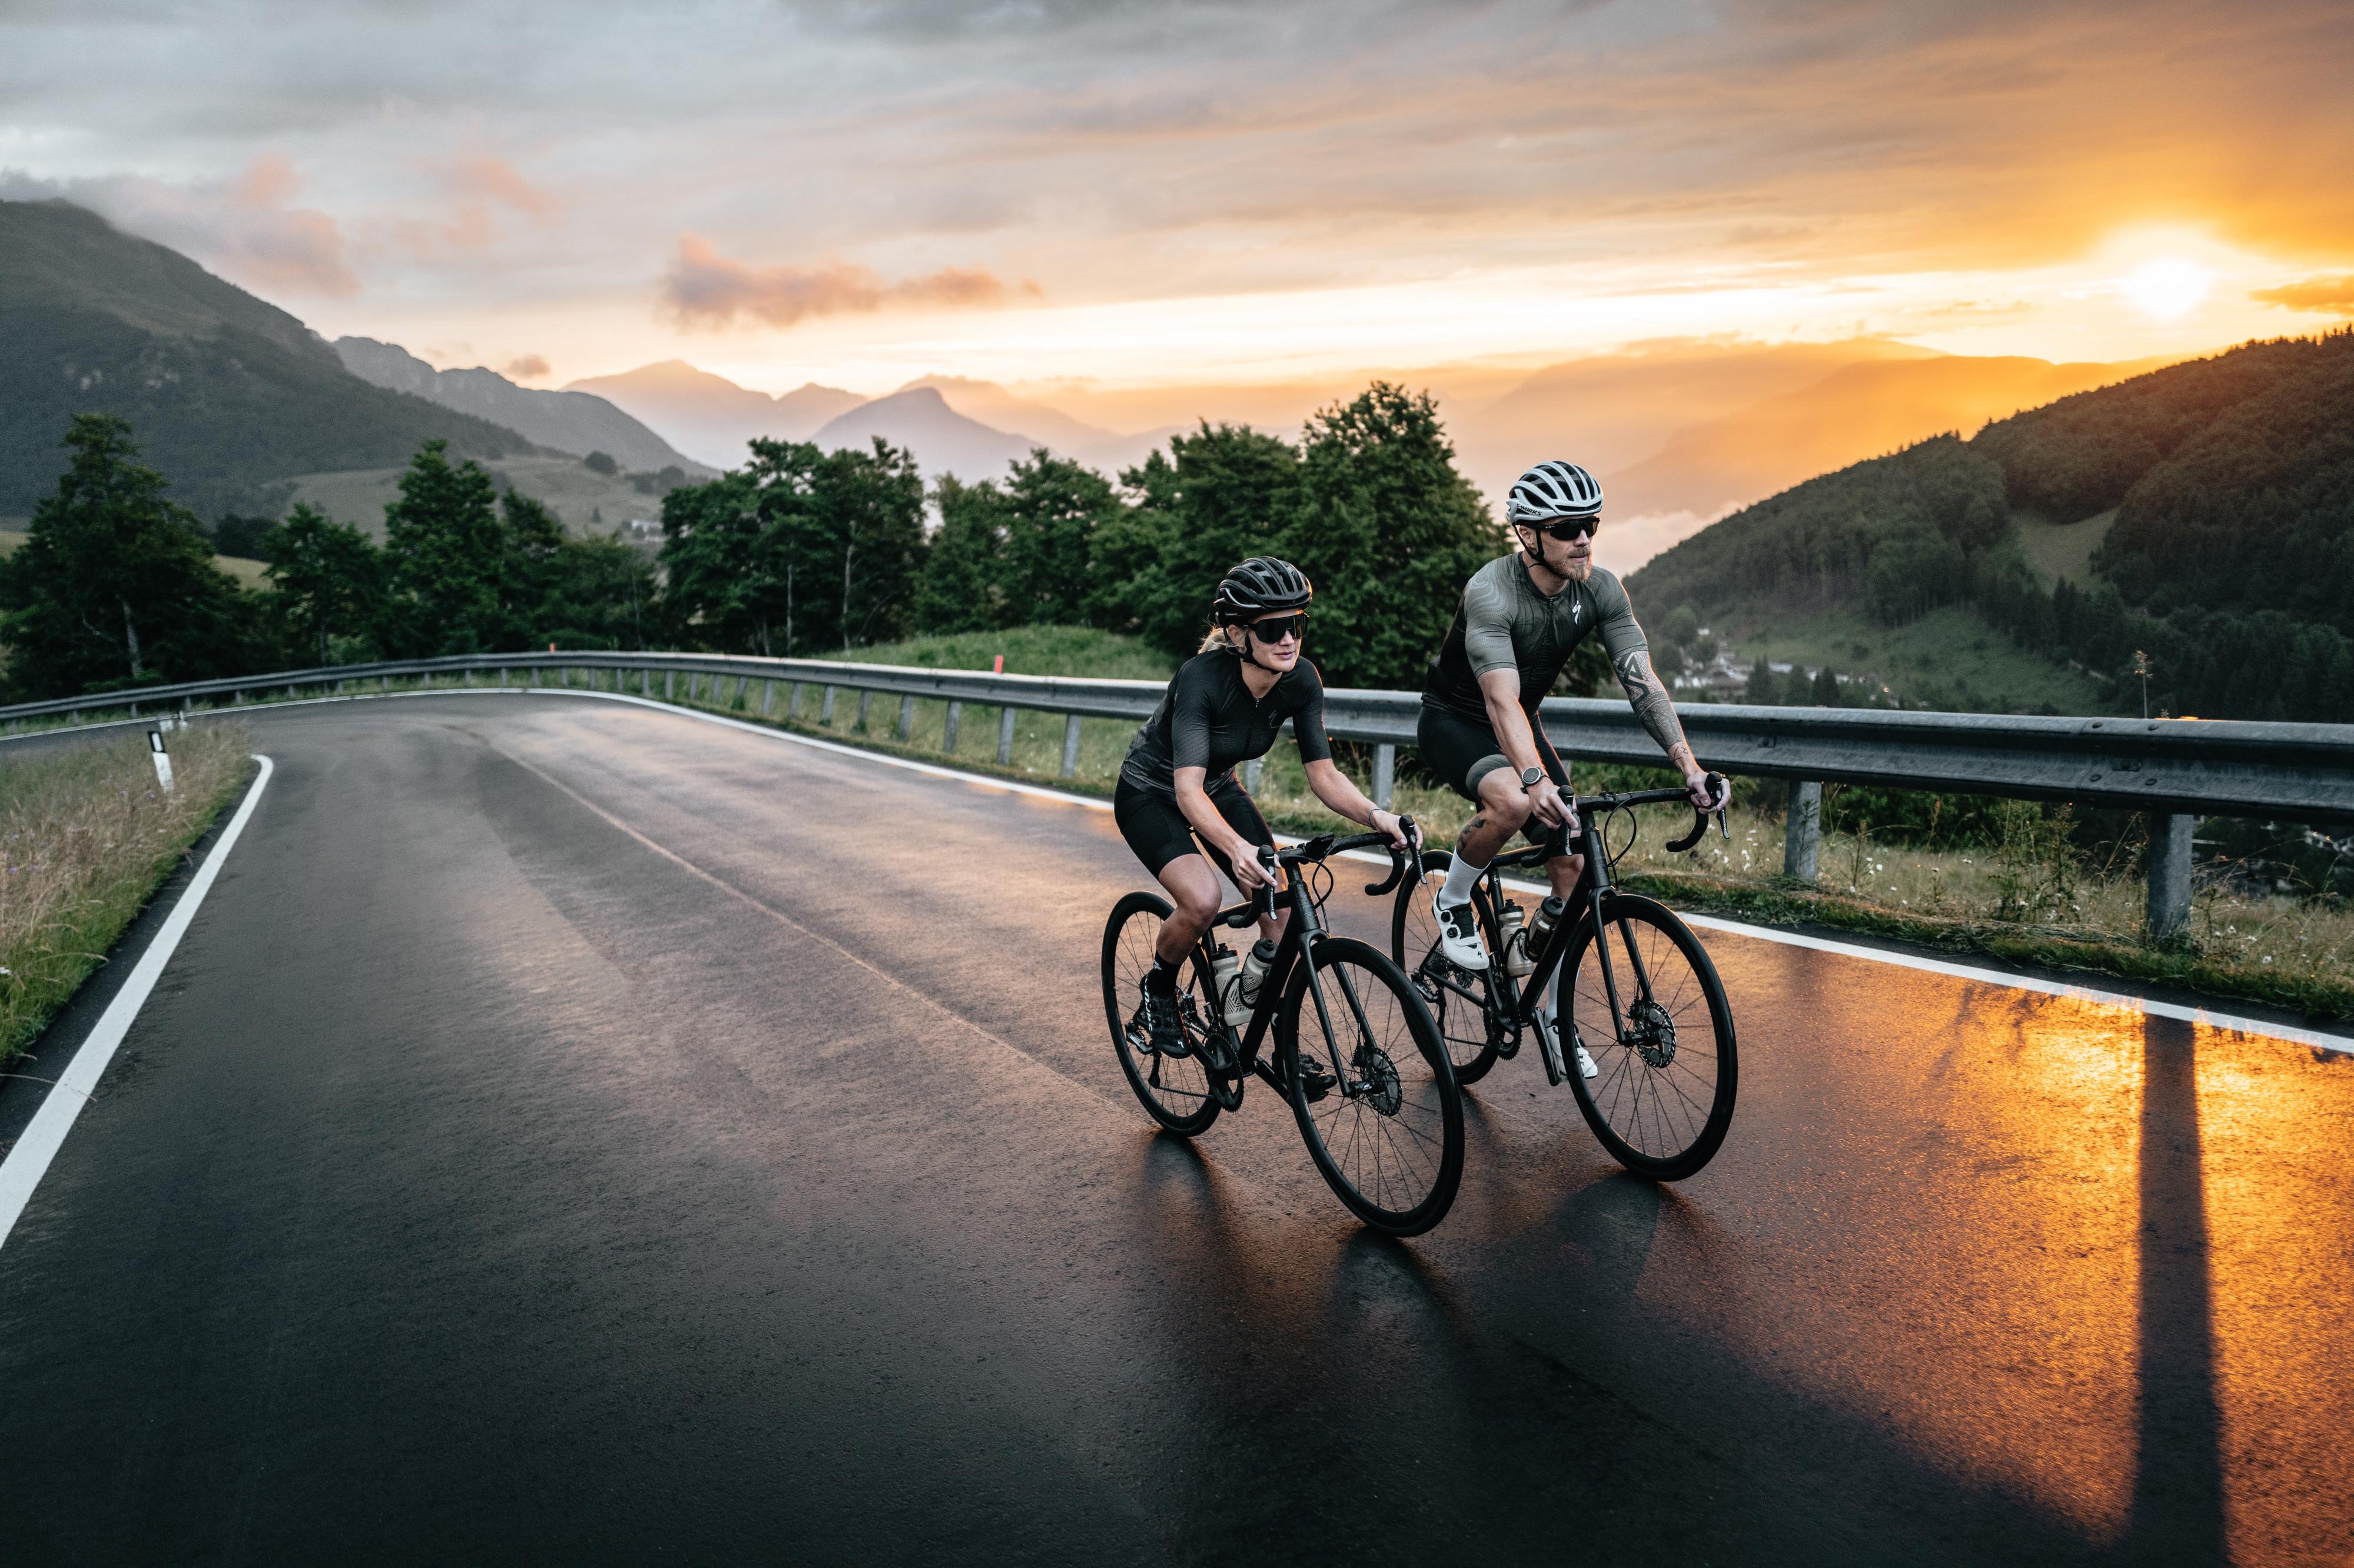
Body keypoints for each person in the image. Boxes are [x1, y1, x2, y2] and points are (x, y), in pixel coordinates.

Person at [1417, 460, 1725, 1016]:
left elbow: (1643, 684)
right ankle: (1454, 893)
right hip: (1457, 720)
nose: (1583, 539)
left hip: (1521, 723)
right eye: (1565, 528)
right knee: (1511, 801)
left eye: (1591, 525)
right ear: (1528, 534)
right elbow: (1500, 700)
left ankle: (1549, 1005)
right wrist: (1533, 779)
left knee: (1574, 865)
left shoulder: (1601, 589)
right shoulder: (1491, 591)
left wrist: (1690, 768)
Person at [1115, 556, 1416, 1069]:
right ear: (1236, 633)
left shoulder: (1301, 680)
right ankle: (1158, 990)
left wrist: (1376, 816)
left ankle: (1267, 1028)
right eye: (1273, 627)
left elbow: (1323, 775)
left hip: (1220, 787)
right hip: (1152, 792)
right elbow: (1186, 790)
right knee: (1204, 899)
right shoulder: (1202, 679)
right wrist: (1236, 850)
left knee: (1280, 913)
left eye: (1297, 623)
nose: (1289, 639)